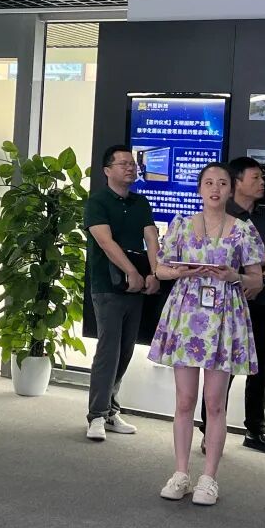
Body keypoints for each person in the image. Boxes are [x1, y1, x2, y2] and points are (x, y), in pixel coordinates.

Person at [149, 162, 264, 506]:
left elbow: (256, 279)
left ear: (230, 189)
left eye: (222, 183)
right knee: (184, 400)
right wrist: (181, 271)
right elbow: (160, 269)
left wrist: (234, 277)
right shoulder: (182, 225)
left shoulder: (243, 230)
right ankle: (180, 473)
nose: (215, 189)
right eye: (209, 183)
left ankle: (209, 478)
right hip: (187, 315)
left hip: (225, 317)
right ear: (200, 188)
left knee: (215, 403)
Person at [199, 156, 265, 457]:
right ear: (237, 182)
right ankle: (208, 431)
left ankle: (255, 430)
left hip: (263, 300)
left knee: (259, 369)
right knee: (220, 369)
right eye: (255, 178)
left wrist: (261, 279)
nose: (262, 183)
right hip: (227, 301)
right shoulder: (222, 215)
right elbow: (222, 257)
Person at [84, 145, 159, 442]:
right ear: (107, 170)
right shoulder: (97, 202)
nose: (130, 167)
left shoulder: (141, 202)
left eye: (132, 164)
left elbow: (151, 239)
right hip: (108, 285)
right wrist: (131, 271)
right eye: (123, 163)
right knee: (109, 350)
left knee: (126, 349)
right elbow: (105, 242)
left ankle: (111, 410)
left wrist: (154, 273)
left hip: (136, 287)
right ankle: (96, 415)